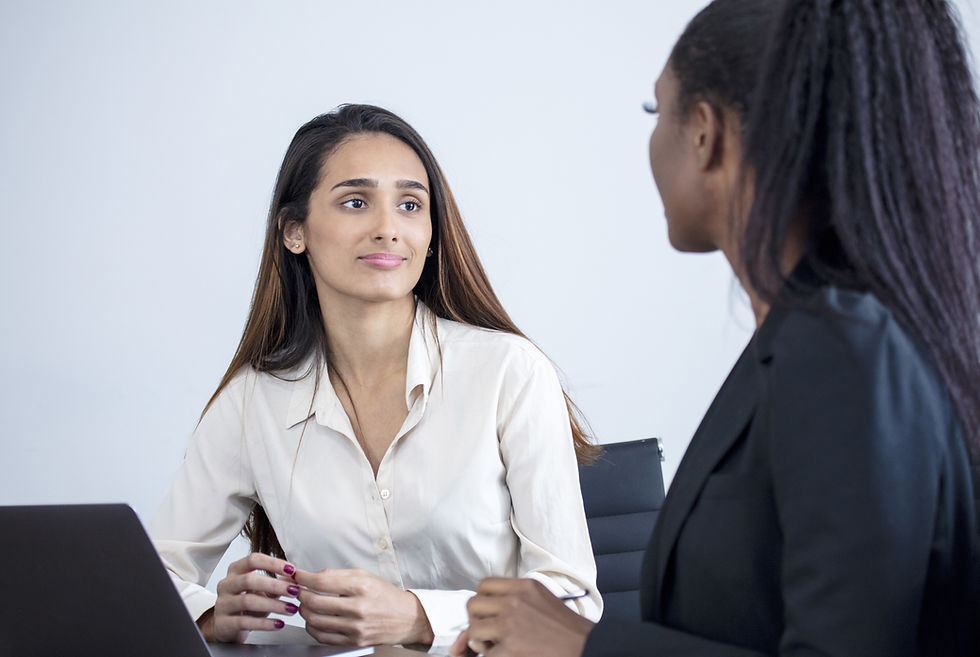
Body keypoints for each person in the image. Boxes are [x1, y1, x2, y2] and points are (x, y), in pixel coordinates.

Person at [451, 0, 980, 655]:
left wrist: (583, 642)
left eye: (657, 111)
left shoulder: (841, 343)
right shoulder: (799, 338)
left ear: (705, 133)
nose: (653, 138)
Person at [150, 104, 602, 649]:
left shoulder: (508, 370)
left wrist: (419, 617)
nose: (388, 228)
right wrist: (210, 613)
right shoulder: (253, 402)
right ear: (295, 232)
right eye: (356, 202)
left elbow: (573, 599)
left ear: (431, 234)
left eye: (410, 204)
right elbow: (151, 579)